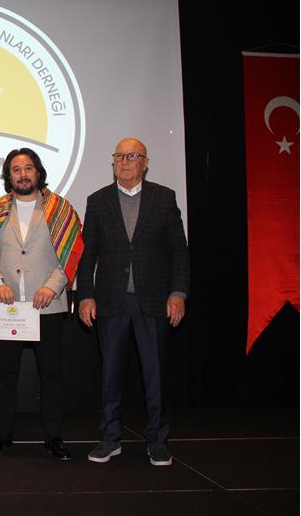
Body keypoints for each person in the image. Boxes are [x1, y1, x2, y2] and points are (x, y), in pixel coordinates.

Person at [77, 137, 190, 467]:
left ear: (145, 162)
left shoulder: (164, 198)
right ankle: (110, 439)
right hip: (110, 302)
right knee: (110, 377)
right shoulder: (98, 201)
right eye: (119, 156)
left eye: (132, 156)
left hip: (154, 302)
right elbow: (87, 256)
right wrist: (85, 295)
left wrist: (178, 293)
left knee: (155, 377)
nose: (124, 162)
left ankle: (157, 441)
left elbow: (179, 252)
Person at [0, 148, 84, 461]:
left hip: (47, 306)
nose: (23, 174)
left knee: (51, 375)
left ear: (38, 172)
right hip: (7, 306)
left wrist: (52, 287)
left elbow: (72, 252)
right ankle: (2, 435)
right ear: (9, 176)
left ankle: (54, 438)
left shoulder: (60, 209)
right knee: (4, 376)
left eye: (28, 168)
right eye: (16, 169)